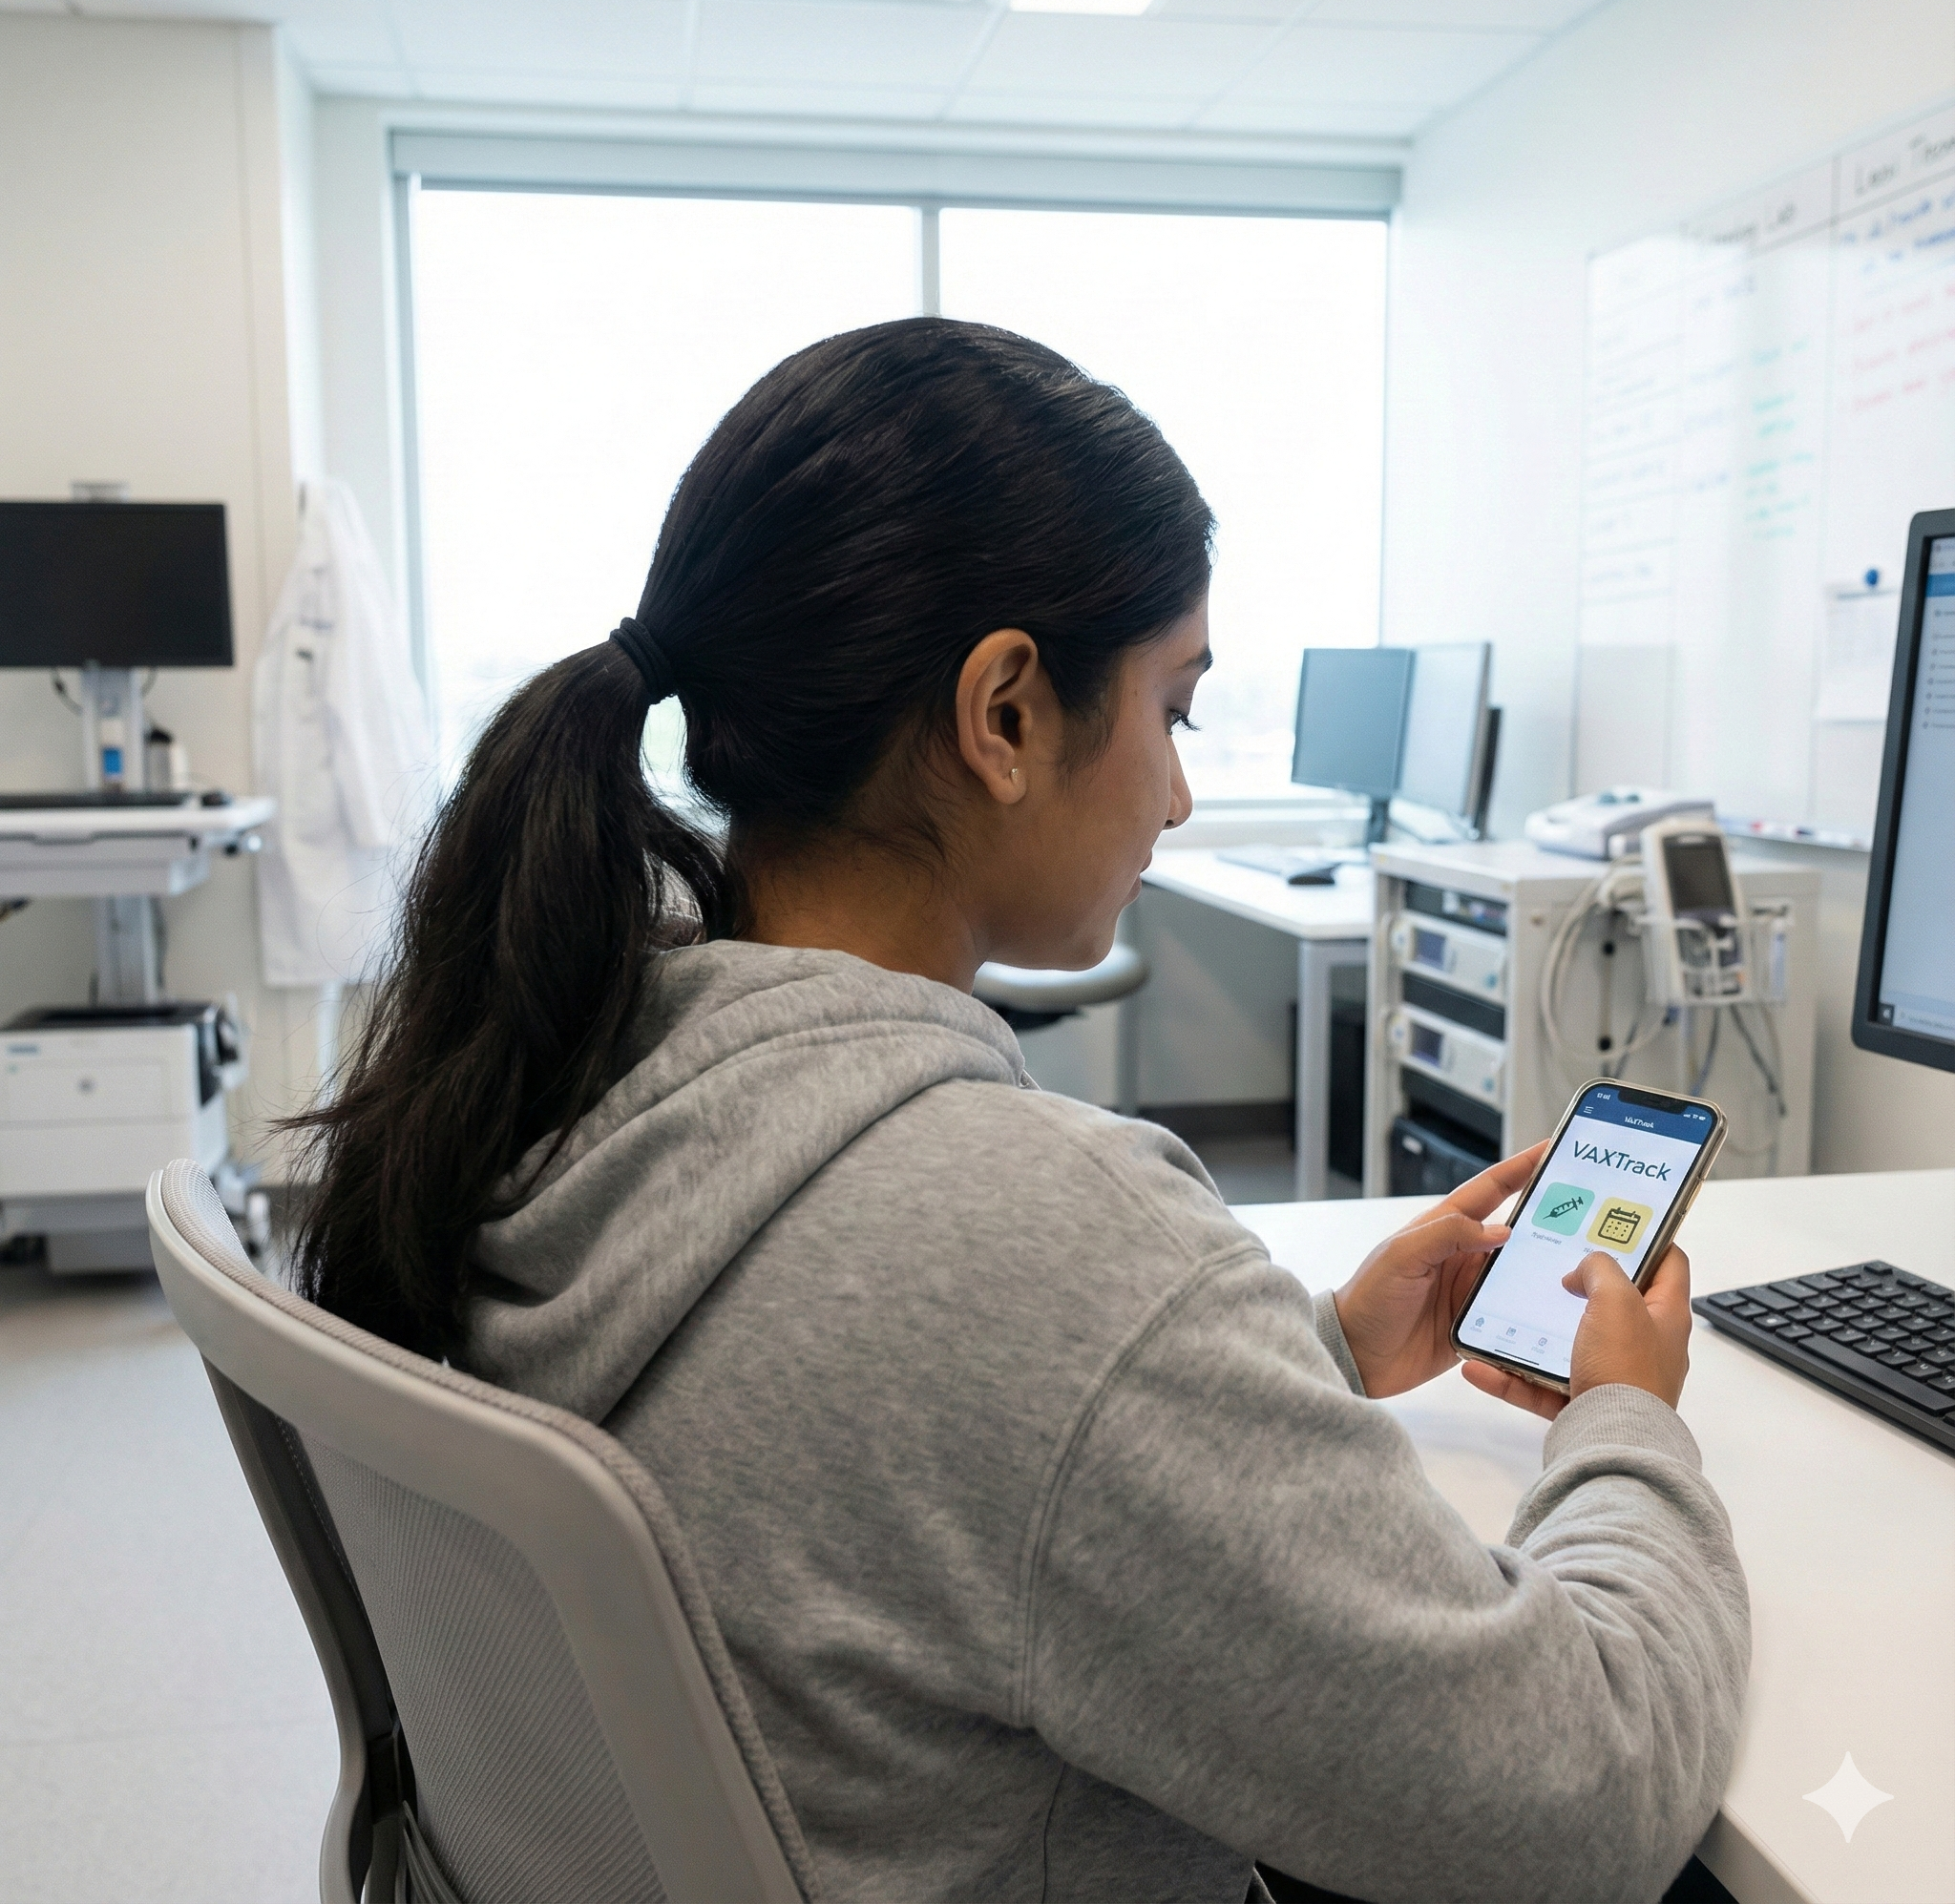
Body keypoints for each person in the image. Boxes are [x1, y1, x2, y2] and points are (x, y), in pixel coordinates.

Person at [289, 318, 1747, 1904]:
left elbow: (899, 1459)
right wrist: (1627, 1424)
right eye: (1174, 711)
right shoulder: (1052, 1241)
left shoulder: (566, 1069)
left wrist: (1306, 1355)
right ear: (1003, 716)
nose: (1179, 793)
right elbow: (1583, 1799)